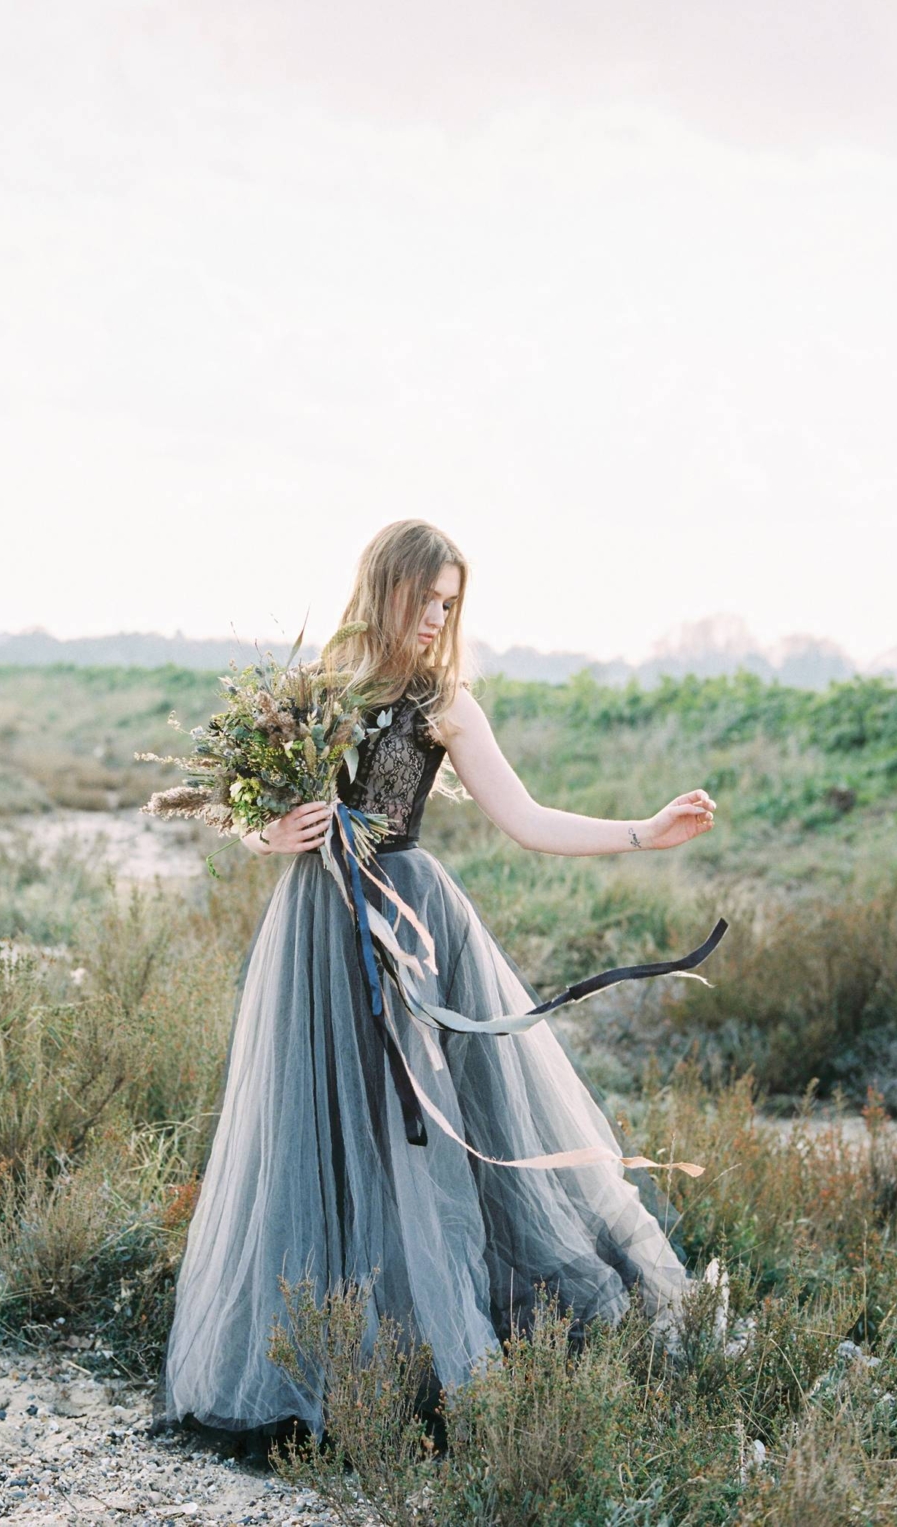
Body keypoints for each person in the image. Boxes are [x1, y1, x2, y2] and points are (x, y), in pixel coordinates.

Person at [153, 518, 718, 1450]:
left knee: (425, 1138)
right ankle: (318, 1356)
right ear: (387, 591)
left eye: (451, 604)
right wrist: (269, 837)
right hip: (319, 928)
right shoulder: (312, 694)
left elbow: (527, 818)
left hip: (413, 929)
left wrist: (642, 831)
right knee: (316, 1130)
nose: (437, 619)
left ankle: (429, 1354)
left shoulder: (446, 703)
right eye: (426, 600)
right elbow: (247, 811)